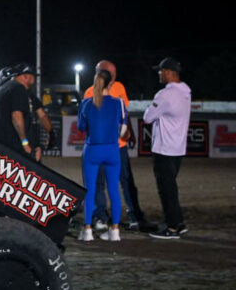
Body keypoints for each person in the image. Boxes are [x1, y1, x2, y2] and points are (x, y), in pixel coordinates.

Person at [82, 60, 156, 233]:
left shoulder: (119, 88)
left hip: (119, 146)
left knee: (126, 181)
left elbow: (124, 112)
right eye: (111, 74)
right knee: (99, 183)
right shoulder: (89, 92)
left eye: (115, 73)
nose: (114, 77)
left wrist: (130, 131)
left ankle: (134, 216)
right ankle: (100, 216)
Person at [76, 68, 126, 242]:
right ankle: (115, 231)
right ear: (110, 83)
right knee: (114, 190)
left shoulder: (87, 103)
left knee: (89, 191)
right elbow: (124, 125)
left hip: (92, 149)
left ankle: (88, 230)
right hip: (112, 149)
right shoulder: (118, 102)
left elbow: (81, 127)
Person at [145, 57, 192, 240]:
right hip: (178, 148)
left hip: (164, 148)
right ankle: (177, 222)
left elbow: (148, 117)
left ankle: (172, 228)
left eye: (160, 71)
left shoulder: (165, 94)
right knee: (171, 188)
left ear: (168, 72)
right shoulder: (185, 91)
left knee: (166, 189)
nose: (159, 74)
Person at [0, 62, 38, 156]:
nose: (34, 80)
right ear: (25, 76)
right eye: (32, 76)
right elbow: (16, 116)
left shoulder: (0, 89)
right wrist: (25, 143)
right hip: (13, 147)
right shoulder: (18, 88)